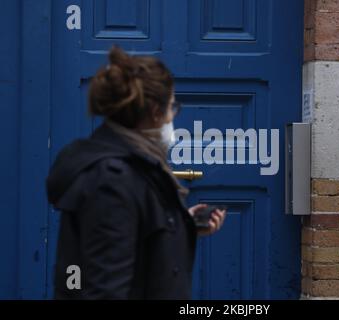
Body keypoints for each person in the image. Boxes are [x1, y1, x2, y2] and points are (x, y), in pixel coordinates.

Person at [46, 46, 226, 300]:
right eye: (172, 107)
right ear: (155, 113)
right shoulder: (113, 179)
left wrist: (181, 224)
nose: (173, 115)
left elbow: (131, 236)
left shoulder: (132, 165)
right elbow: (106, 290)